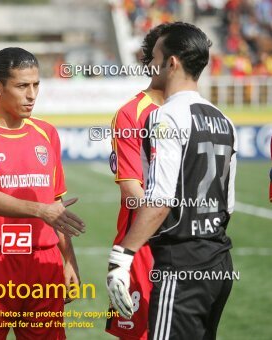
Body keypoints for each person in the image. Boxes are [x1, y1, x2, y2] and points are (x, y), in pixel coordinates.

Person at [106, 22, 237, 340]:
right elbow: (228, 203)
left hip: (166, 252)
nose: (150, 63)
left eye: (155, 56)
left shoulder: (164, 115)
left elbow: (155, 198)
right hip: (214, 256)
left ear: (171, 62)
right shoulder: (222, 118)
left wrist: (124, 256)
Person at [0, 47, 85, 340]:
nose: (32, 94)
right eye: (22, 85)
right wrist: (42, 211)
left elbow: (56, 205)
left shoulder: (46, 133)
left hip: (44, 263)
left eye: (36, 84)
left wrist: (68, 261)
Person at [105, 24, 166, 340]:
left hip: (189, 248)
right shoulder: (132, 114)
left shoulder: (197, 113)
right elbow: (132, 191)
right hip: (142, 247)